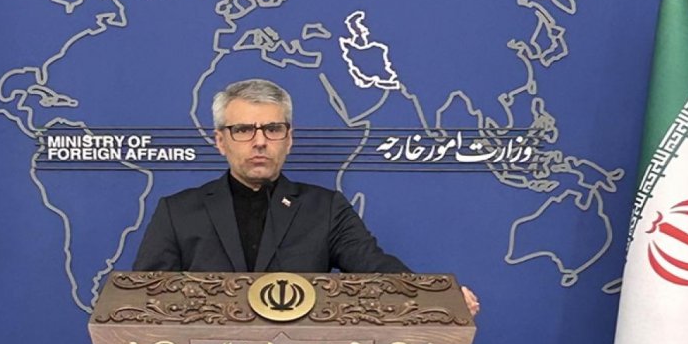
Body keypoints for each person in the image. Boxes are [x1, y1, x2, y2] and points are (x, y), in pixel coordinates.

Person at [133, 78, 480, 315]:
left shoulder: (325, 209)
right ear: (220, 141)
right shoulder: (178, 212)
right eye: (243, 130)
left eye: (272, 129)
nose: (259, 141)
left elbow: (375, 267)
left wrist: (437, 298)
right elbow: (144, 301)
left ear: (289, 139)